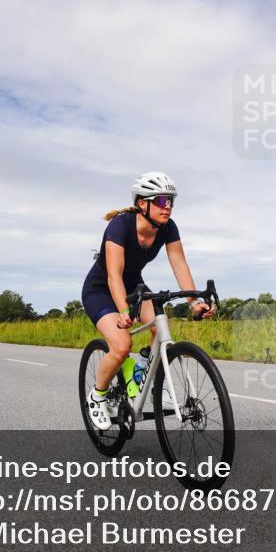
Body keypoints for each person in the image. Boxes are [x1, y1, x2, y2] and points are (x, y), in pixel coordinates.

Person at [81, 171, 216, 430]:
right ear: (143, 204)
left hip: (134, 287)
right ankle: (97, 396)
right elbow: (113, 274)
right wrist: (122, 309)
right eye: (163, 201)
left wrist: (193, 302)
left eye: (171, 201)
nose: (169, 207)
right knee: (121, 345)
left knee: (158, 325)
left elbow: (179, 264)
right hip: (101, 289)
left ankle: (141, 368)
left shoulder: (168, 227)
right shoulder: (120, 226)